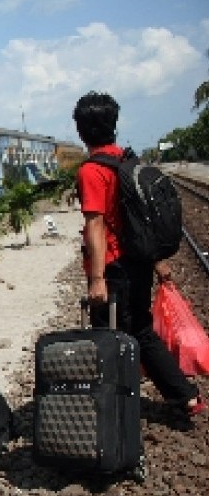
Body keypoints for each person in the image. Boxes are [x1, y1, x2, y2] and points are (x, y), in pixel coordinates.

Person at [72, 91, 205, 419]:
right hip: (138, 261)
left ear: (81, 129)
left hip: (115, 266)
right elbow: (141, 217)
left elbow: (96, 225)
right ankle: (182, 395)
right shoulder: (127, 160)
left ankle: (117, 406)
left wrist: (97, 278)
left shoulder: (91, 171)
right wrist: (157, 260)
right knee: (140, 327)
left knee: (113, 335)